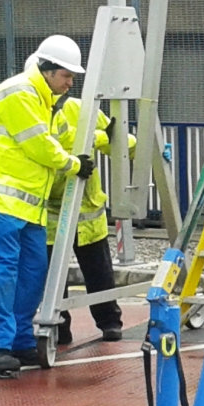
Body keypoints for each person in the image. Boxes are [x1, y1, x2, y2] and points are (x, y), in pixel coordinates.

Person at [0, 35, 94, 373]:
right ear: (48, 70)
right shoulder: (19, 92)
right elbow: (39, 145)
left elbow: (58, 138)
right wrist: (75, 164)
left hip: (26, 208)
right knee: (2, 275)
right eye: (66, 75)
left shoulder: (43, 100)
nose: (70, 82)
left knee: (33, 275)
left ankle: (20, 342)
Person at [42, 87, 132, 345]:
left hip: (86, 212)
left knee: (98, 273)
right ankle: (60, 327)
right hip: (53, 213)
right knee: (54, 279)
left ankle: (109, 322)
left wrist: (145, 152)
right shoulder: (34, 113)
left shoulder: (80, 109)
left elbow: (117, 140)